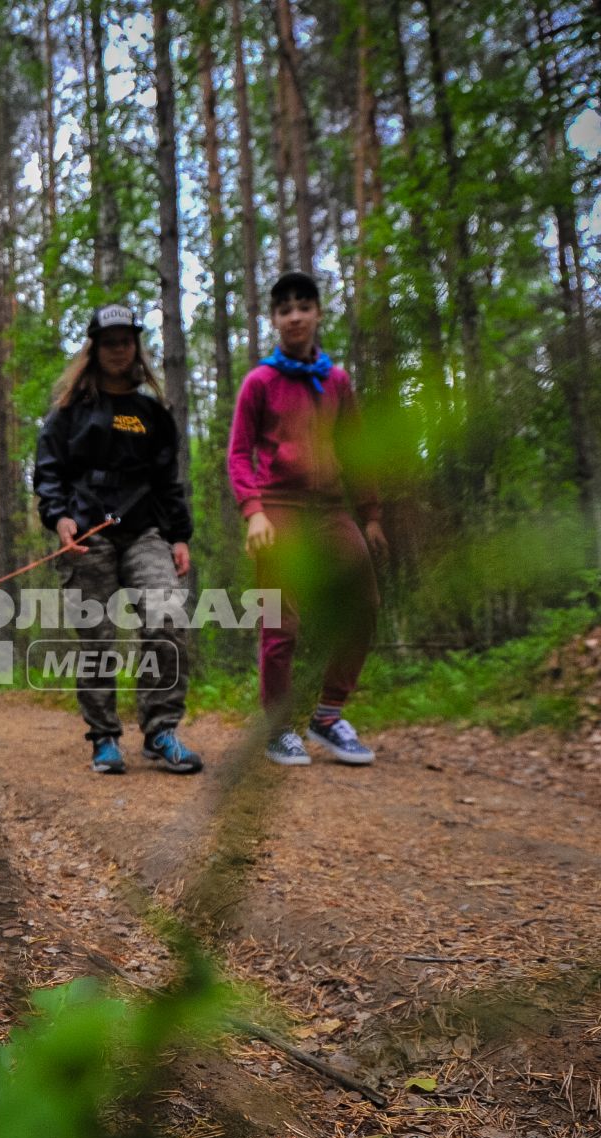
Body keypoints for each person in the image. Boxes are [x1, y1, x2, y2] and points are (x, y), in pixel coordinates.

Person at [33, 303, 202, 775]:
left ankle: (161, 729)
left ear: (135, 347)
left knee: (167, 616)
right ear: (95, 349)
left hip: (145, 532)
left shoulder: (152, 413)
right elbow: (48, 474)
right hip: (88, 533)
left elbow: (169, 480)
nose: (118, 349)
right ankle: (104, 737)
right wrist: (59, 518)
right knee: (97, 637)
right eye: (109, 342)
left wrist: (179, 536)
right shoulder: (68, 414)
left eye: (126, 340)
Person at [228, 270, 386, 766]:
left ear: (318, 313)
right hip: (278, 509)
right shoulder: (260, 382)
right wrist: (253, 511)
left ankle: (328, 715)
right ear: (274, 320)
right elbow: (238, 455)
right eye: (284, 309)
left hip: (332, 510)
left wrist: (372, 515)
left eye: (303, 306)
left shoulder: (336, 381)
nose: (294, 316)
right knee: (280, 620)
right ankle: (277, 728)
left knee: (362, 604)